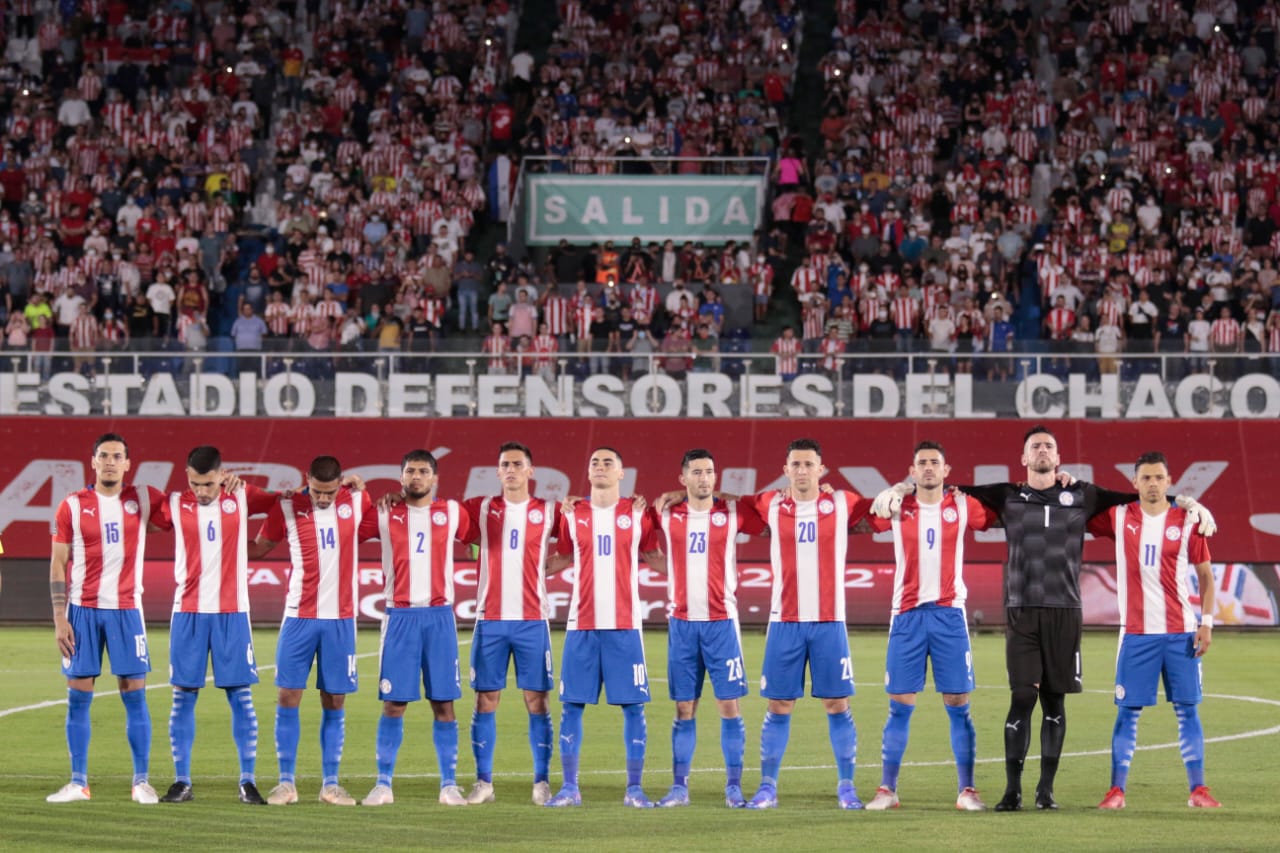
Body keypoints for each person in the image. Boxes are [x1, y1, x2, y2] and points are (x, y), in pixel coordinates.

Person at [873, 426, 1217, 811]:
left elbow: (1139, 498)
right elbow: (938, 488)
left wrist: (1184, 502)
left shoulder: (1084, 495)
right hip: (1020, 609)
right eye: (1034, 446)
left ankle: (1046, 792)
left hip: (1066, 612)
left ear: (1058, 458)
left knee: (1055, 703)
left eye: (1048, 446)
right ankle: (1012, 791)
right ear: (1023, 458)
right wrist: (901, 489)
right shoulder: (1005, 495)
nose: (1041, 450)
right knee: (1022, 697)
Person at [863, 441, 998, 811]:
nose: (927, 468)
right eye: (921, 463)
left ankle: (967, 790)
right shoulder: (897, 505)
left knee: (958, 703)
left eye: (934, 463)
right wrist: (888, 492)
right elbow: (863, 520)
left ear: (946, 470)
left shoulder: (962, 505)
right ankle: (887, 790)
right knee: (900, 705)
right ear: (911, 471)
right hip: (906, 615)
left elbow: (998, 513)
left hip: (949, 614)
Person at [740, 438, 872, 809]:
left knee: (836, 703)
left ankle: (847, 787)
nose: (801, 470)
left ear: (821, 469)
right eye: (795, 464)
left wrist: (901, 490)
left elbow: (884, 510)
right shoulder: (771, 504)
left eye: (808, 464)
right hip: (785, 621)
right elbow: (724, 502)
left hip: (830, 621)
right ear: (785, 471)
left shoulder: (842, 502)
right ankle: (767, 787)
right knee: (779, 705)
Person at [1088, 452, 1221, 810]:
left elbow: (1207, 578)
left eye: (1158, 478)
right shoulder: (1119, 517)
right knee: (1127, 713)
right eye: (1145, 478)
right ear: (1134, 483)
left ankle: (1198, 790)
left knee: (1187, 710)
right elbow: (1083, 506)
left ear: (1169, 480)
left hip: (1181, 633)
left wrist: (1206, 624)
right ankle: (1116, 791)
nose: (1152, 484)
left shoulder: (1188, 521)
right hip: (1136, 634)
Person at [151, 446, 277, 805]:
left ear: (222, 475)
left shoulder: (241, 494)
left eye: (207, 484)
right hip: (187, 612)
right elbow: (135, 519)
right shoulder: (175, 502)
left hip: (232, 613)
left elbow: (284, 504)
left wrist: (258, 545)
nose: (201, 491)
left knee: (240, 696)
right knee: (182, 698)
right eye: (195, 483)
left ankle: (248, 781)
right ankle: (181, 781)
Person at [544, 447, 666, 808]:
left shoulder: (638, 512)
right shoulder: (571, 513)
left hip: (625, 626)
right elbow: (562, 558)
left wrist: (693, 577)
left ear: (621, 473)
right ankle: (569, 788)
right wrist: (521, 571)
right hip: (581, 625)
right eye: (594, 462)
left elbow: (653, 556)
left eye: (607, 462)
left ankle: (634, 789)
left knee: (633, 708)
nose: (599, 466)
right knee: (571, 707)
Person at [47, 433, 164, 804]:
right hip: (81, 612)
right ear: (93, 461)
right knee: (78, 697)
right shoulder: (72, 505)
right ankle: (78, 782)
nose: (110, 461)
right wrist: (59, 617)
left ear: (128, 464)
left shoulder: (143, 499)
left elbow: (194, 506)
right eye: (104, 456)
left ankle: (141, 782)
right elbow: (58, 562)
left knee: (134, 695)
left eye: (117, 456)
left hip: (127, 610)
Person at [251, 456, 373, 806]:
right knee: (288, 695)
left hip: (340, 619)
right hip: (298, 616)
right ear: (307, 481)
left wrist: (373, 493)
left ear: (340, 484)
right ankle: (285, 783)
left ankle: (330, 785)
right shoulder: (287, 506)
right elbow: (260, 547)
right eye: (318, 492)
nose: (323, 499)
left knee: (334, 699)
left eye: (330, 492)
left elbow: (377, 524)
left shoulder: (355, 500)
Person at [357, 450, 473, 807]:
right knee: (393, 703)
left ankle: (449, 784)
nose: (416, 477)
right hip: (399, 617)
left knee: (444, 703)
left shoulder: (453, 512)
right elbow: (349, 530)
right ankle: (382, 784)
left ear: (435, 478)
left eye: (423, 471)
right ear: (401, 477)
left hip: (439, 617)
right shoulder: (382, 512)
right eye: (410, 471)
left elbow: (479, 541)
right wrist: (359, 490)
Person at [652, 449, 764, 808]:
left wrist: (731, 497)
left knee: (729, 706)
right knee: (684, 708)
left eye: (709, 472)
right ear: (682, 477)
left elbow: (764, 510)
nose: (704, 478)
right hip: (682, 622)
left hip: (721, 624)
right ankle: (679, 787)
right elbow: (639, 536)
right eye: (697, 472)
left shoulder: (731, 513)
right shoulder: (666, 514)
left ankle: (733, 787)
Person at [459, 443, 560, 806]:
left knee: (537, 700)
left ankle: (542, 782)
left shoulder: (549, 511)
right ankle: (483, 782)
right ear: (498, 472)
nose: (512, 469)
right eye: (505, 465)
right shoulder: (481, 508)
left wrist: (549, 567)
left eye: (518, 464)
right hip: (491, 619)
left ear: (531, 471)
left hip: (532, 619)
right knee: (486, 699)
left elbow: (581, 537)